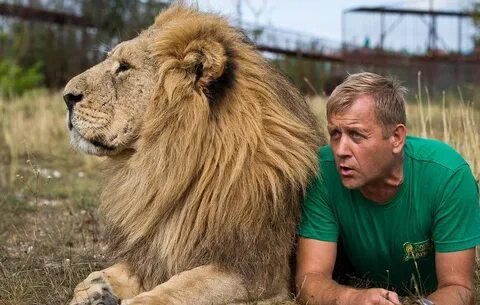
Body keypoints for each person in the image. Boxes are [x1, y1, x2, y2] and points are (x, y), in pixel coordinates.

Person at [295, 72, 480, 305]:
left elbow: (459, 288)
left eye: (356, 135)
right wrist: (353, 298)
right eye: (335, 134)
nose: (341, 150)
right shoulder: (321, 171)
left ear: (396, 137)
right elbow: (309, 279)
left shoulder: (448, 175)